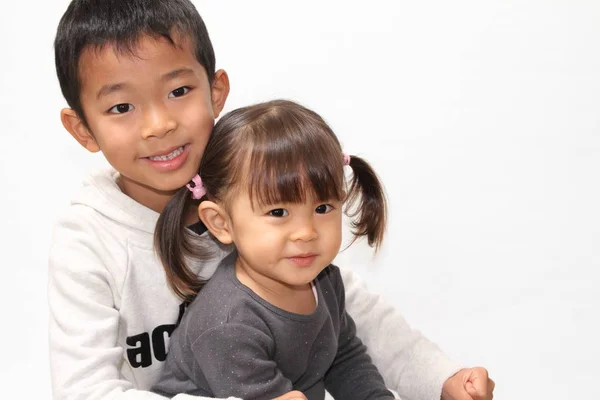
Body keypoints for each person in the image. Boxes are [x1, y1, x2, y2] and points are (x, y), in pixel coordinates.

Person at [48, 0, 495, 399]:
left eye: (178, 91)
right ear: (83, 128)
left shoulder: (254, 191)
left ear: (215, 91)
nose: (159, 124)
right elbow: (85, 389)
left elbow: (351, 319)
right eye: (122, 107)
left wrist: (440, 378)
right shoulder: (87, 239)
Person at [151, 99, 394, 400]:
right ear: (221, 223)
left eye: (322, 207)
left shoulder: (326, 281)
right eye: (278, 212)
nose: (306, 232)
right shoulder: (228, 323)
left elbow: (343, 357)